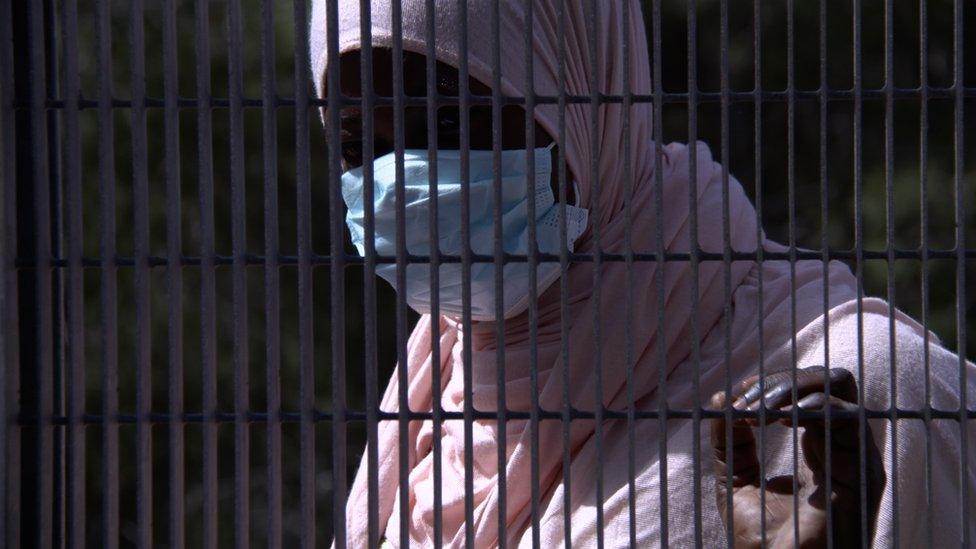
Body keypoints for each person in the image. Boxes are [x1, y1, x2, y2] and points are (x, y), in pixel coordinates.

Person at [311, 1, 976, 547]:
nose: (401, 182)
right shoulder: (432, 403)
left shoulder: (866, 396)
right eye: (355, 145)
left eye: (451, 122)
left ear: (584, 98)